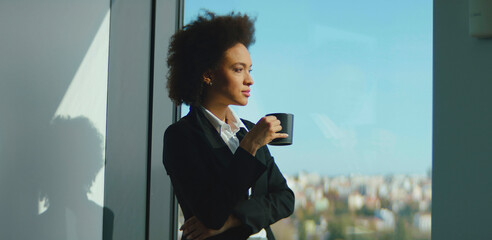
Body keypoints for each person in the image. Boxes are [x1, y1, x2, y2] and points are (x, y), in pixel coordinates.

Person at [163, 11, 295, 240]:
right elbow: (212, 214)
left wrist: (234, 220)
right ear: (207, 74)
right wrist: (250, 146)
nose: (249, 79)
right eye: (238, 69)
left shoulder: (249, 129)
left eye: (249, 69)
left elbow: (285, 199)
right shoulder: (181, 137)